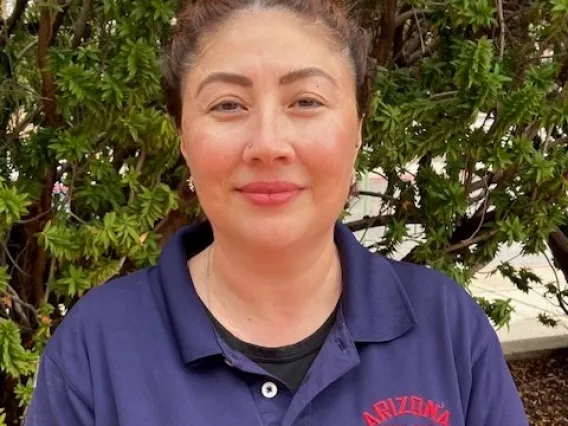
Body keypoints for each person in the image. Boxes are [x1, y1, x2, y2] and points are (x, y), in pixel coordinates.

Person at [25, 1, 529, 425]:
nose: (268, 144)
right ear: (182, 134)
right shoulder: (96, 350)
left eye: (306, 100)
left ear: (357, 127)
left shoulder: (446, 328)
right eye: (227, 105)